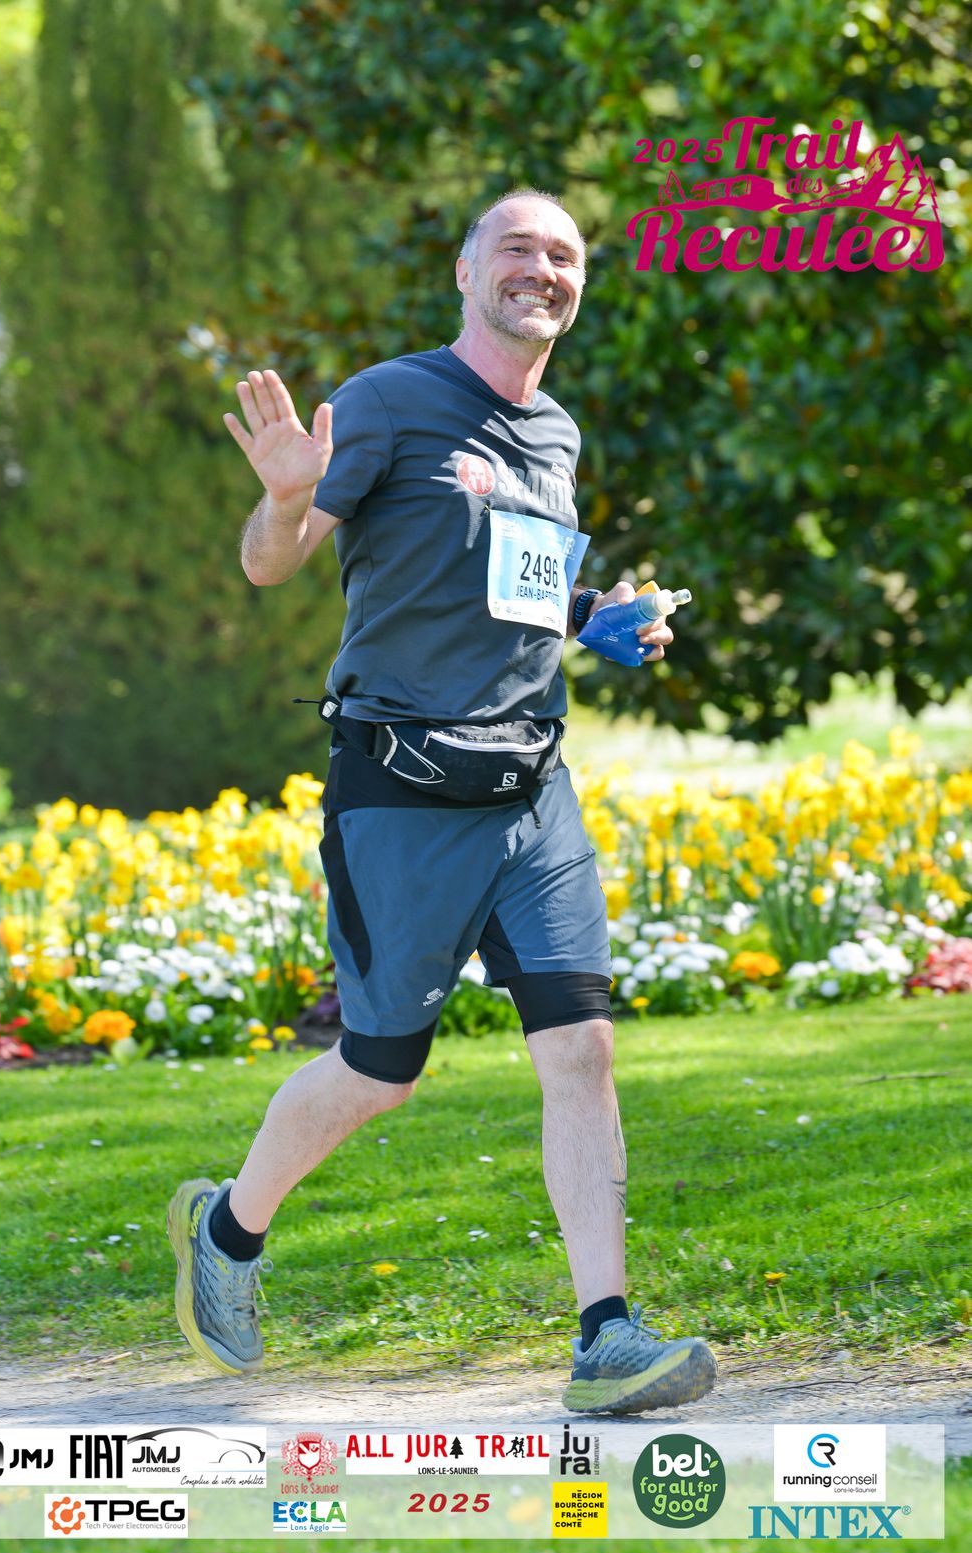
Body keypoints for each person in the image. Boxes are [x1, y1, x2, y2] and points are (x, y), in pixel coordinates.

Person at [167, 188, 718, 1414]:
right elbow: (271, 563)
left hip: (529, 781)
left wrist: (598, 618)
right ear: (466, 269)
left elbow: (513, 586)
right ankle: (227, 1230)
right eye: (516, 246)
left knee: (580, 1044)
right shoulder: (386, 400)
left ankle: (605, 1335)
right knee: (380, 1070)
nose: (541, 268)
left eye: (562, 255)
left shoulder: (555, 432)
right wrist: (283, 495)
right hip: (403, 785)